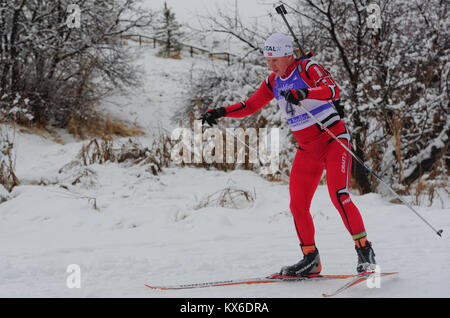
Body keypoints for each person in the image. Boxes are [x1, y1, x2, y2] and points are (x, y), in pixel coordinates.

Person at [201, 33, 376, 277]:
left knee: (339, 195)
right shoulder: (273, 81)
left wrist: (305, 92)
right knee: (297, 205)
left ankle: (364, 251)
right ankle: (310, 259)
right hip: (307, 149)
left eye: (275, 59)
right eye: (268, 60)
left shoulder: (307, 67)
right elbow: (250, 106)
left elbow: (333, 90)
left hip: (333, 139)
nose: (271, 65)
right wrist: (220, 112)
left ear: (288, 54)